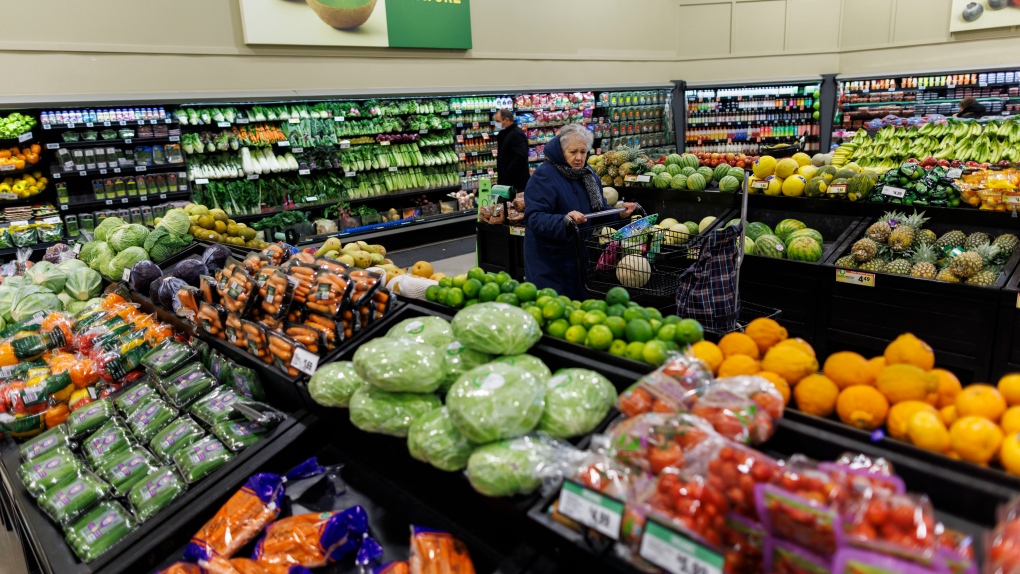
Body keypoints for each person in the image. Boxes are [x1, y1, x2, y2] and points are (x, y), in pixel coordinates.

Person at [523, 124, 637, 299]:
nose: (579, 157)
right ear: (561, 152)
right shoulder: (544, 176)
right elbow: (534, 217)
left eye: (583, 152)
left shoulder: (588, 175)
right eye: (573, 152)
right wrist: (564, 220)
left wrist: (619, 213)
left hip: (579, 258)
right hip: (550, 262)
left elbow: (597, 209)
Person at [494, 109, 530, 192]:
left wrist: (507, 172)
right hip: (506, 181)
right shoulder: (503, 133)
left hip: (516, 182)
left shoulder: (517, 134)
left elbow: (521, 156)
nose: (496, 124)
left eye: (498, 121)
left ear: (506, 120)